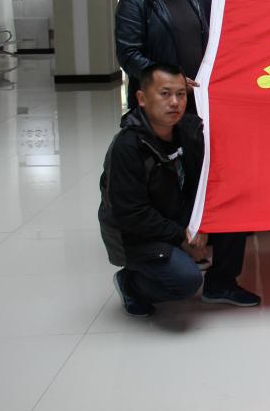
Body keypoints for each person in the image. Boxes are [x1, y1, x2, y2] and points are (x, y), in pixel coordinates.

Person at [98, 64, 260, 316]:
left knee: (234, 209)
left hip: (176, 217)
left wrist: (201, 224)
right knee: (185, 281)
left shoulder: (189, 130)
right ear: (142, 98)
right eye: (165, 94)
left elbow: (208, 181)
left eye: (181, 94)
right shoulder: (127, 147)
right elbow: (131, 214)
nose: (174, 102)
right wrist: (182, 237)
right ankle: (131, 283)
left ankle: (221, 284)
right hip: (135, 233)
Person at [116, 0, 207, 111]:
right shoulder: (134, 2)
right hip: (157, 100)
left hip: (194, 97)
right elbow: (129, 55)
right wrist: (172, 79)